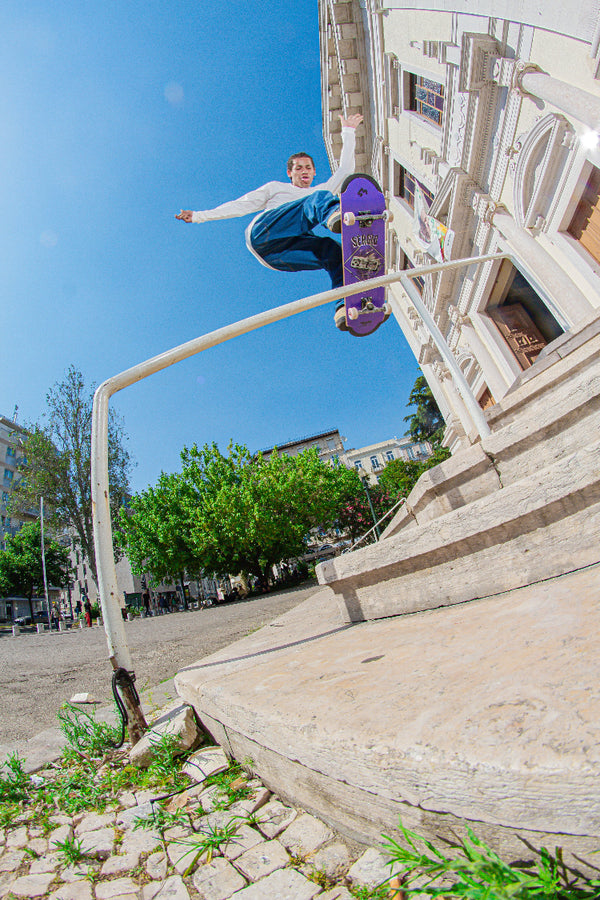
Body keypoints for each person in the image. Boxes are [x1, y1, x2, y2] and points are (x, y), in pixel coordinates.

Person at [176, 114, 363, 323]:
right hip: (263, 233)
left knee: (335, 252)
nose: (304, 172)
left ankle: (343, 306)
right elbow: (241, 205)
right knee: (319, 199)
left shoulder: (322, 190)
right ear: (289, 173)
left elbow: (345, 170)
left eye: (308, 168)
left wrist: (348, 131)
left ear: (314, 172)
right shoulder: (276, 187)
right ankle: (334, 216)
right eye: (298, 168)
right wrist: (200, 216)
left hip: (279, 256)